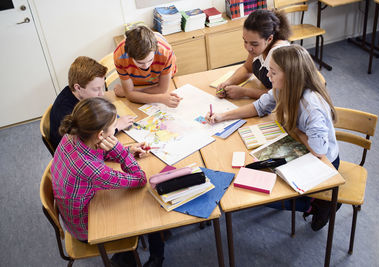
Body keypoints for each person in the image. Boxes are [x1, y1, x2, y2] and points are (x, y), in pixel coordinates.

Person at [207, 45, 340, 231]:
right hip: (300, 145)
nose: (268, 76)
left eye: (273, 72)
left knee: (267, 196)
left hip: (324, 160)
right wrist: (223, 116)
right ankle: (310, 200)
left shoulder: (312, 107)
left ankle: (316, 204)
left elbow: (319, 151)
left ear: (290, 76)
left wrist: (295, 130)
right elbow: (259, 107)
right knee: (253, 175)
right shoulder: (282, 88)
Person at [51, 98, 165, 267]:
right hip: (89, 228)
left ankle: (131, 255)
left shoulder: (72, 136)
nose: (115, 128)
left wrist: (127, 150)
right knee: (150, 207)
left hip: (74, 214)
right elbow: (140, 179)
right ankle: (151, 257)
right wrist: (121, 153)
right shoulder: (91, 169)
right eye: (114, 126)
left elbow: (96, 154)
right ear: (100, 135)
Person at [49, 56, 135, 149]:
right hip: (76, 155)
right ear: (78, 88)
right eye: (96, 89)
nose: (101, 94)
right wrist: (116, 126)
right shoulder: (67, 112)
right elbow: (90, 144)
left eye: (102, 87)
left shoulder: (76, 94)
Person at [216, 9, 291, 100]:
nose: (248, 48)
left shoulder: (279, 53)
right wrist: (228, 83)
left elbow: (281, 94)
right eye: (245, 41)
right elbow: (247, 69)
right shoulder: (258, 48)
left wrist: (245, 92)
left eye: (254, 44)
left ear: (269, 39)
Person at [113, 25, 182, 108]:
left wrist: (128, 92)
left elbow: (163, 89)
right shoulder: (120, 56)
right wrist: (160, 98)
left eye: (150, 60)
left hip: (158, 78)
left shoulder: (165, 52)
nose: (146, 66)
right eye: (140, 63)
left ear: (155, 50)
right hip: (138, 82)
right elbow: (131, 96)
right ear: (129, 55)